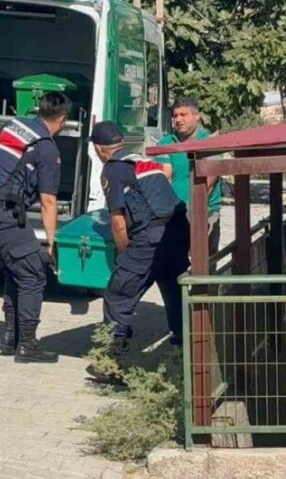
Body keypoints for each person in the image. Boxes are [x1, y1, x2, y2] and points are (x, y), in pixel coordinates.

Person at [0, 92, 71, 364]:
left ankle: (11, 337)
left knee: (15, 269)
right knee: (33, 274)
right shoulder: (47, 148)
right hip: (2, 216)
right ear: (62, 120)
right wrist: (52, 243)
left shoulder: (14, 125)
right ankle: (28, 345)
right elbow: (48, 201)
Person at [88, 121, 190, 376]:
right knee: (174, 291)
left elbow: (118, 221)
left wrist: (124, 256)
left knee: (118, 294)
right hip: (178, 232)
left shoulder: (113, 169)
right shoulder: (142, 160)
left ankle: (112, 363)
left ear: (99, 149)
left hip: (149, 239)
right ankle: (183, 355)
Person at [155, 97, 222, 253]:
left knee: (204, 259)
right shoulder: (165, 143)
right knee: (175, 259)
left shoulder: (211, 144)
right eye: (175, 116)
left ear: (197, 116)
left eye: (183, 114)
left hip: (206, 211)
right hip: (175, 212)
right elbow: (165, 177)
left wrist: (194, 213)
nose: (178, 120)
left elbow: (209, 182)